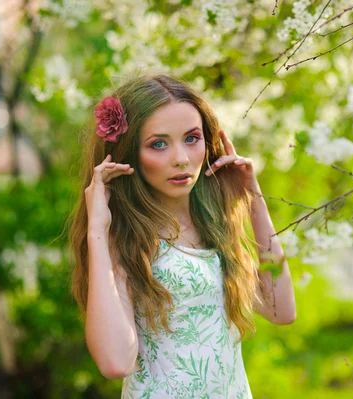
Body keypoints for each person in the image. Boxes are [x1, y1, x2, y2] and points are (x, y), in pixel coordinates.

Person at [68, 74, 296, 398]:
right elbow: (116, 362)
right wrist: (97, 231)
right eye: (158, 143)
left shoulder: (214, 224)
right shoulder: (124, 239)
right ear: (128, 153)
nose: (181, 158)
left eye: (191, 138)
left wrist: (252, 199)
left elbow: (281, 310)